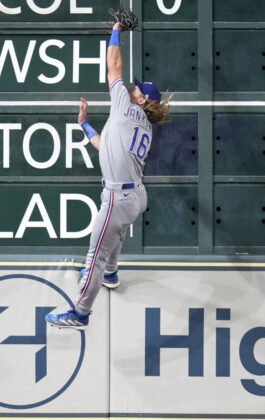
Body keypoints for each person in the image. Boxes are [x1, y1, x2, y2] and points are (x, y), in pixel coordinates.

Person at [46, 20, 172, 330]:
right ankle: (112, 275)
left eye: (137, 89)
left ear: (141, 100)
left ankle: (80, 313)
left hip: (119, 197)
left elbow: (113, 66)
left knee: (94, 256)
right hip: (134, 195)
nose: (132, 87)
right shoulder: (139, 123)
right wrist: (85, 126)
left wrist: (116, 29)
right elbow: (106, 147)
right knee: (112, 241)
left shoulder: (126, 107)